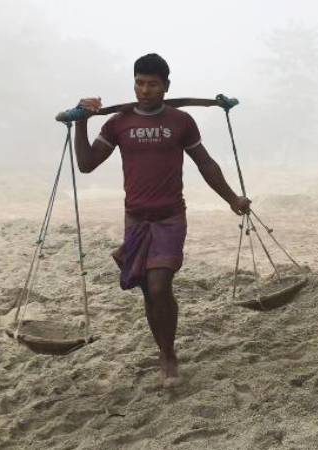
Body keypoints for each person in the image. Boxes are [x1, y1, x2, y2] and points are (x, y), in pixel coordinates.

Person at [74, 53, 251, 388]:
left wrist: (233, 199)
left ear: (166, 86)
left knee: (159, 285)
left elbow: (205, 163)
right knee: (149, 293)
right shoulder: (118, 123)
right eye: (139, 83)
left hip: (170, 217)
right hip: (136, 220)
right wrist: (81, 120)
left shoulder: (180, 121)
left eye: (152, 84)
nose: (144, 90)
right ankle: (164, 349)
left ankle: (169, 357)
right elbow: (86, 164)